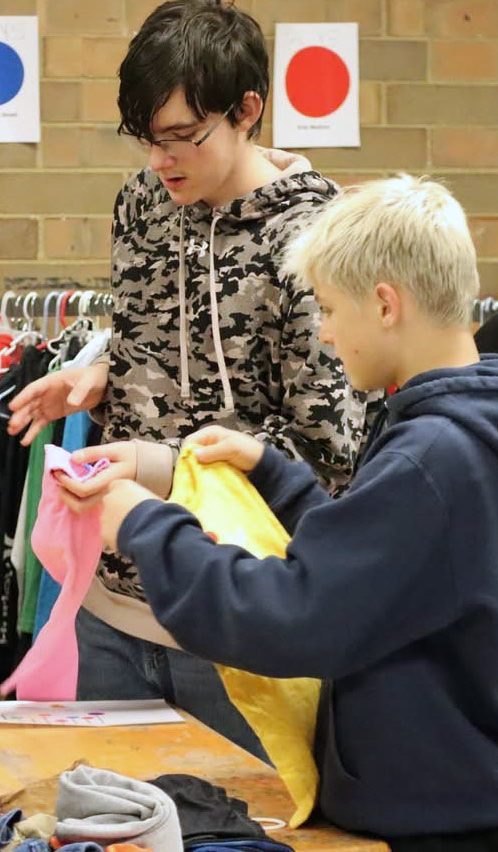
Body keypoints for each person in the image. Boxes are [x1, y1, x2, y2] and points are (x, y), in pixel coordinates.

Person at [59, 174, 498, 851]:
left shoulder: (432, 456)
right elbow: (386, 568)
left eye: (327, 309)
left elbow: (289, 617)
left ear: (384, 305)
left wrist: (144, 523)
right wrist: (274, 477)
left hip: (442, 829)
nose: (323, 333)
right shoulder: (456, 431)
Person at [8, 0, 376, 757]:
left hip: (239, 617)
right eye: (146, 139)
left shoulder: (316, 238)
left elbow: (328, 453)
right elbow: (157, 341)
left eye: (181, 137)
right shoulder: (144, 203)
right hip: (109, 607)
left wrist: (159, 464)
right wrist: (99, 375)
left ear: (248, 110)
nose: (159, 161)